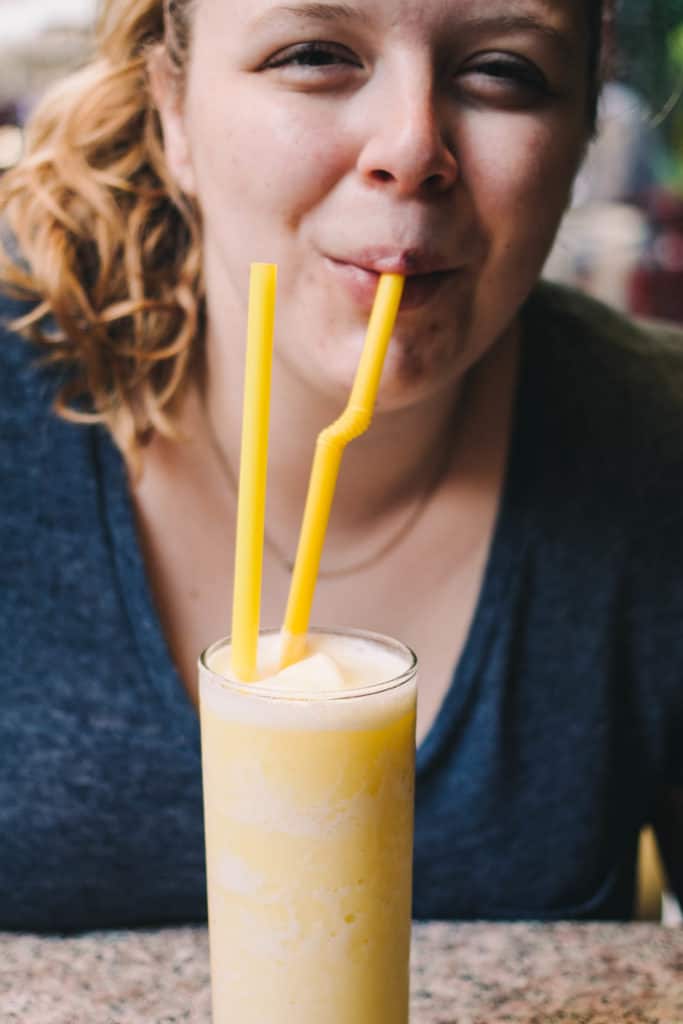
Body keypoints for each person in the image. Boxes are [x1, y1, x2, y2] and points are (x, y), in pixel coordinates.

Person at [1, 0, 681, 934]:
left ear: (577, 140)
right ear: (173, 110)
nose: (410, 147)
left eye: (503, 71)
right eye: (313, 53)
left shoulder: (658, 447)